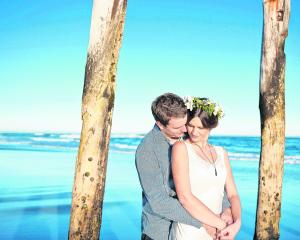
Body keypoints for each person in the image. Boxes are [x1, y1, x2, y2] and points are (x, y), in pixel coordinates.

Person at [135, 93, 232, 240]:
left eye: (185, 124)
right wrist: (203, 223)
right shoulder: (147, 150)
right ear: (160, 124)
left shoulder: (187, 139)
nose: (186, 131)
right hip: (160, 231)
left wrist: (225, 208)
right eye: (178, 127)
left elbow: (210, 179)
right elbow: (159, 202)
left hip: (200, 223)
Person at [171, 97, 242, 239]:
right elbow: (185, 197)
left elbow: (232, 194)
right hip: (190, 229)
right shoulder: (181, 148)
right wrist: (220, 225)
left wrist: (236, 223)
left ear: (211, 127)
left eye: (200, 127)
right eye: (191, 126)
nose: (194, 132)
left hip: (219, 230)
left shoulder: (222, 152)